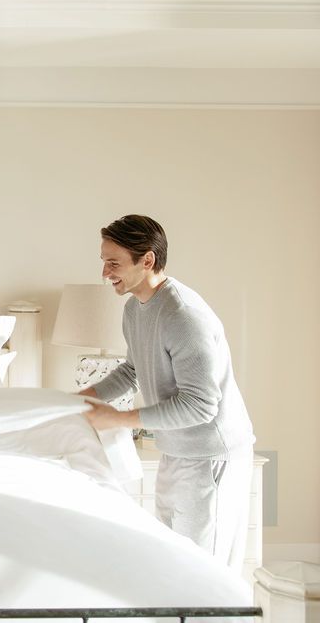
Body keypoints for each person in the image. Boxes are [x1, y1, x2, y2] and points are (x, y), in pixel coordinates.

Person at [80, 214, 255, 571]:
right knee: (172, 563)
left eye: (113, 263)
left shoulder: (184, 316)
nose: (104, 273)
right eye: (103, 261)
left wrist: (119, 419)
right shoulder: (134, 309)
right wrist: (87, 395)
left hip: (211, 457)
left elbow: (200, 405)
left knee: (204, 571)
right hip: (176, 451)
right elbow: (133, 370)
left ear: (147, 260)